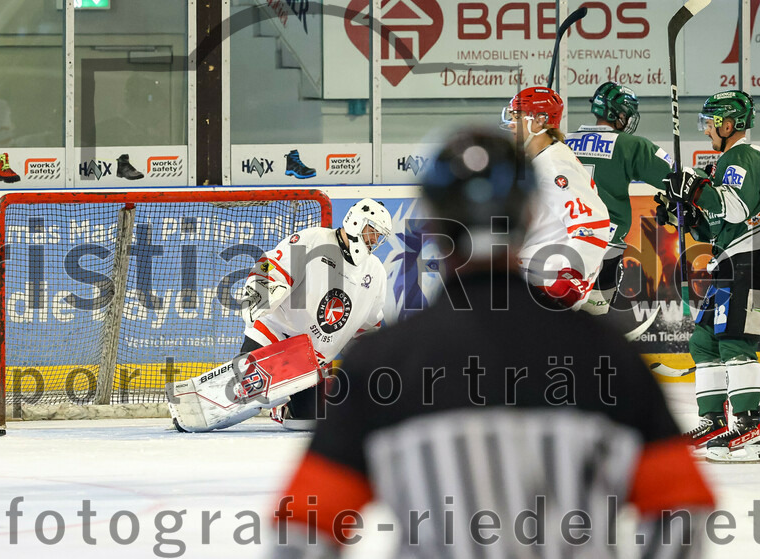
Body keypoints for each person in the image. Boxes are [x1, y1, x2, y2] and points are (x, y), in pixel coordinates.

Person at [270, 128, 714, 558]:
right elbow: (684, 510)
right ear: (528, 216)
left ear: (434, 227)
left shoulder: (382, 363)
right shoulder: (607, 354)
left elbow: (303, 527)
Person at [659, 90, 760, 463]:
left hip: (752, 259)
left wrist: (695, 189)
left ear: (729, 124)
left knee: (734, 341)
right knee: (704, 342)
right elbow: (713, 226)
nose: (707, 129)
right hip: (732, 260)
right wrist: (683, 213)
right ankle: (714, 422)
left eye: (711, 122)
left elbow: (734, 206)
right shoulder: (725, 162)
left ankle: (748, 433)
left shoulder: (743, 155)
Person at [236, 198, 391, 430]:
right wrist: (260, 289)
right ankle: (253, 387)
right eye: (373, 232)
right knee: (246, 393)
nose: (375, 240)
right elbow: (269, 264)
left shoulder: (375, 271)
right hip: (274, 336)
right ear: (357, 222)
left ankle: (282, 407)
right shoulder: (312, 240)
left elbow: (367, 328)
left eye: (379, 235)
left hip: (310, 360)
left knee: (306, 422)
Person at [565, 82, 673, 313]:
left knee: (559, 318)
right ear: (618, 113)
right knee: (593, 321)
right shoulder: (630, 145)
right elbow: (675, 178)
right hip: (605, 245)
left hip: (564, 244)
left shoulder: (563, 143)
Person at [501, 86, 611, 310]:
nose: (511, 123)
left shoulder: (554, 164)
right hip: (531, 279)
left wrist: (571, 278)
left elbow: (592, 223)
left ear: (540, 121)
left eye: (517, 116)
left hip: (548, 285)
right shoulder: (540, 160)